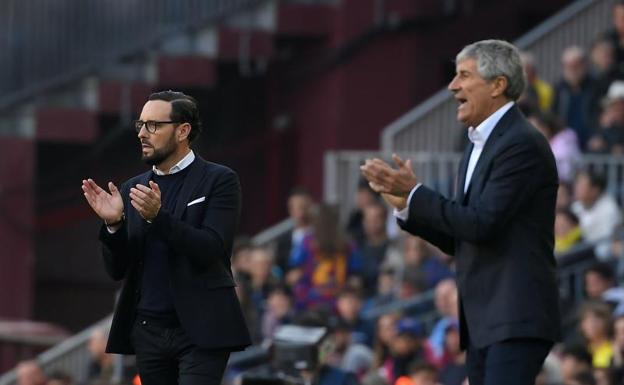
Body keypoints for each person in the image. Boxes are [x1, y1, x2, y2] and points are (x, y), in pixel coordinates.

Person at [361, 39, 561, 385]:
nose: (453, 86)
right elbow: (463, 237)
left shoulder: (521, 144)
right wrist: (408, 206)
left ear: (498, 85)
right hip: (486, 320)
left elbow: (482, 224)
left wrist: (417, 193)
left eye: (464, 76)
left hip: (514, 317)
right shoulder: (477, 145)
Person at [81, 90, 251, 385]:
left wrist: (158, 218)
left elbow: (211, 249)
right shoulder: (133, 187)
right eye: (140, 125)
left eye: (154, 125)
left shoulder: (219, 179)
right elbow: (117, 269)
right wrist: (114, 226)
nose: (143, 134)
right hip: (148, 329)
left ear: (183, 130)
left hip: (201, 328)